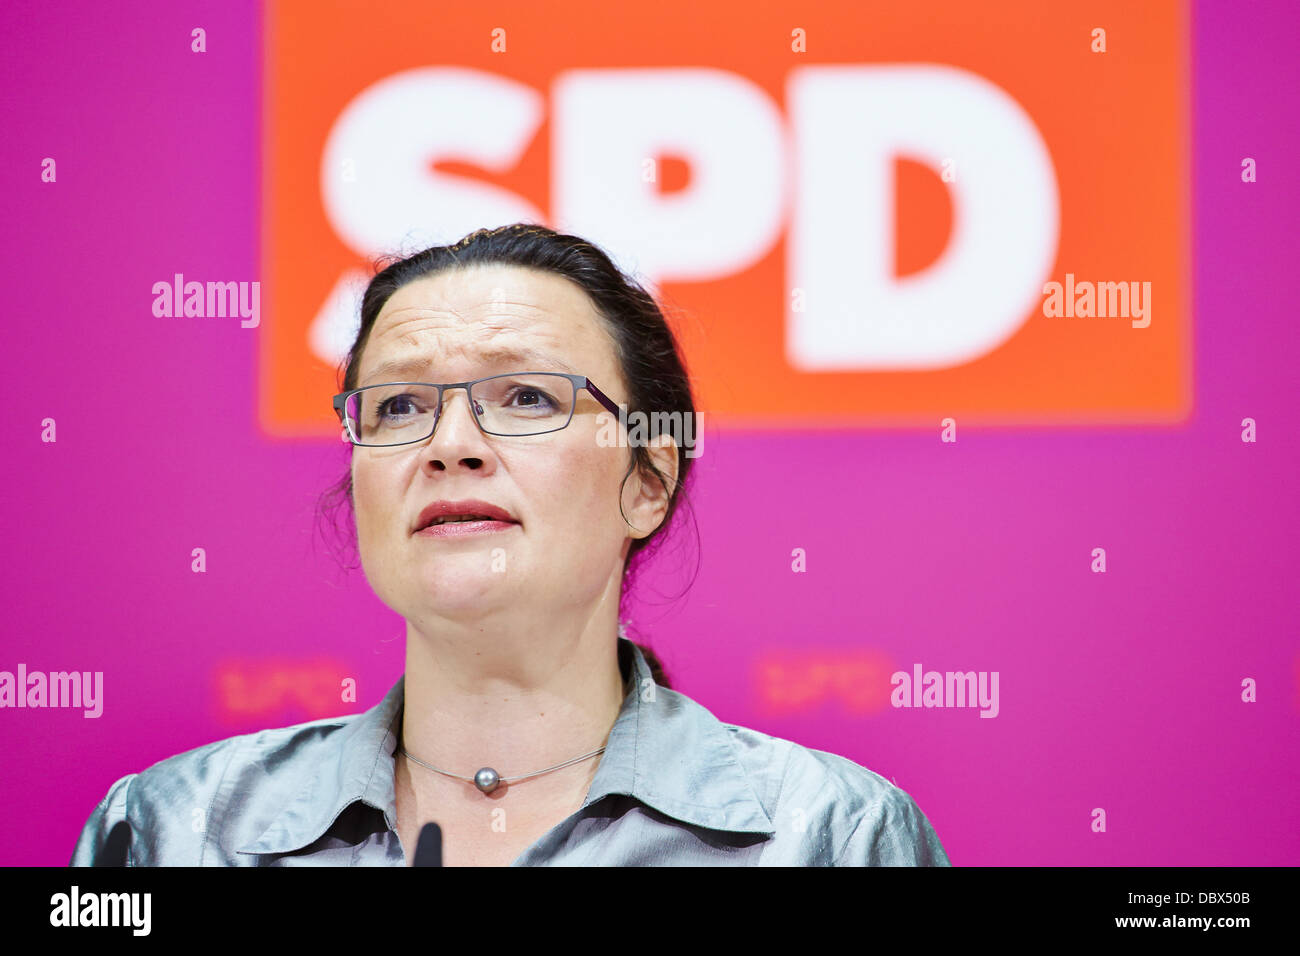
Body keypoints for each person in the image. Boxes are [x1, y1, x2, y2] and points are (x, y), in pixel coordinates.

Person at [69, 223, 950, 866]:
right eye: (400, 406)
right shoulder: (170, 830)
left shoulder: (832, 834)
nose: (450, 444)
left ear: (646, 481)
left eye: (527, 397)